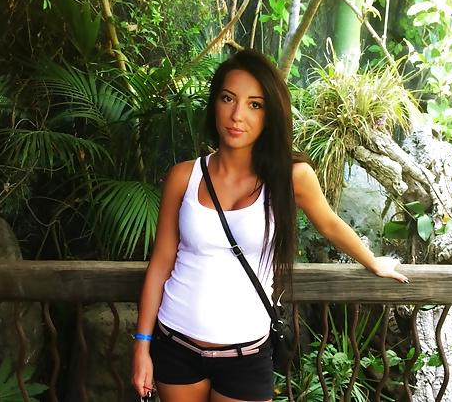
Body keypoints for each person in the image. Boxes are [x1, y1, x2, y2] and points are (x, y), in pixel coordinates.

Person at [131, 49, 408, 402]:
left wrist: (373, 262)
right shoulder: (184, 177)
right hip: (176, 345)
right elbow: (161, 263)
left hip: (245, 356)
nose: (237, 115)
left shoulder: (290, 176)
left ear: (270, 114)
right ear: (214, 104)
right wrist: (142, 344)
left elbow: (329, 223)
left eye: (254, 104)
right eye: (228, 98)